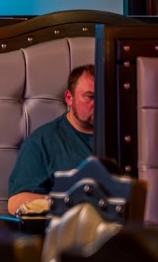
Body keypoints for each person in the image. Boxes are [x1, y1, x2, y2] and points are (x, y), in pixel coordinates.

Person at [6, 64, 96, 215]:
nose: (99, 103)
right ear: (69, 98)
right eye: (90, 97)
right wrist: (69, 201)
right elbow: (15, 202)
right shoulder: (41, 142)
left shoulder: (124, 136)